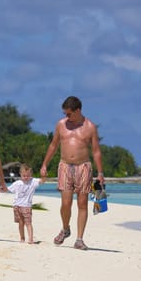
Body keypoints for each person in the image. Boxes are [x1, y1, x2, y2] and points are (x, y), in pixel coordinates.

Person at [40, 96, 104, 250]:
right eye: (65, 113)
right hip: (65, 166)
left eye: (69, 113)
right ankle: (65, 228)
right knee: (66, 203)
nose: (66, 116)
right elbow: (53, 145)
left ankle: (79, 239)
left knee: (82, 203)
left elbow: (96, 151)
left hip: (83, 166)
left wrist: (100, 172)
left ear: (78, 111)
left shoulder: (90, 126)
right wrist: (44, 164)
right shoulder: (61, 125)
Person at [0, 163, 45, 244]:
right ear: (20, 174)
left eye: (28, 175)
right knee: (20, 223)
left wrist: (44, 175)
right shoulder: (17, 183)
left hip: (27, 206)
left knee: (28, 223)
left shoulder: (33, 181)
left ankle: (30, 239)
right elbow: (8, 189)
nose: (26, 177)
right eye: (24, 176)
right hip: (17, 206)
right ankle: (22, 238)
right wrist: (1, 189)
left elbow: (42, 181)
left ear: (31, 174)